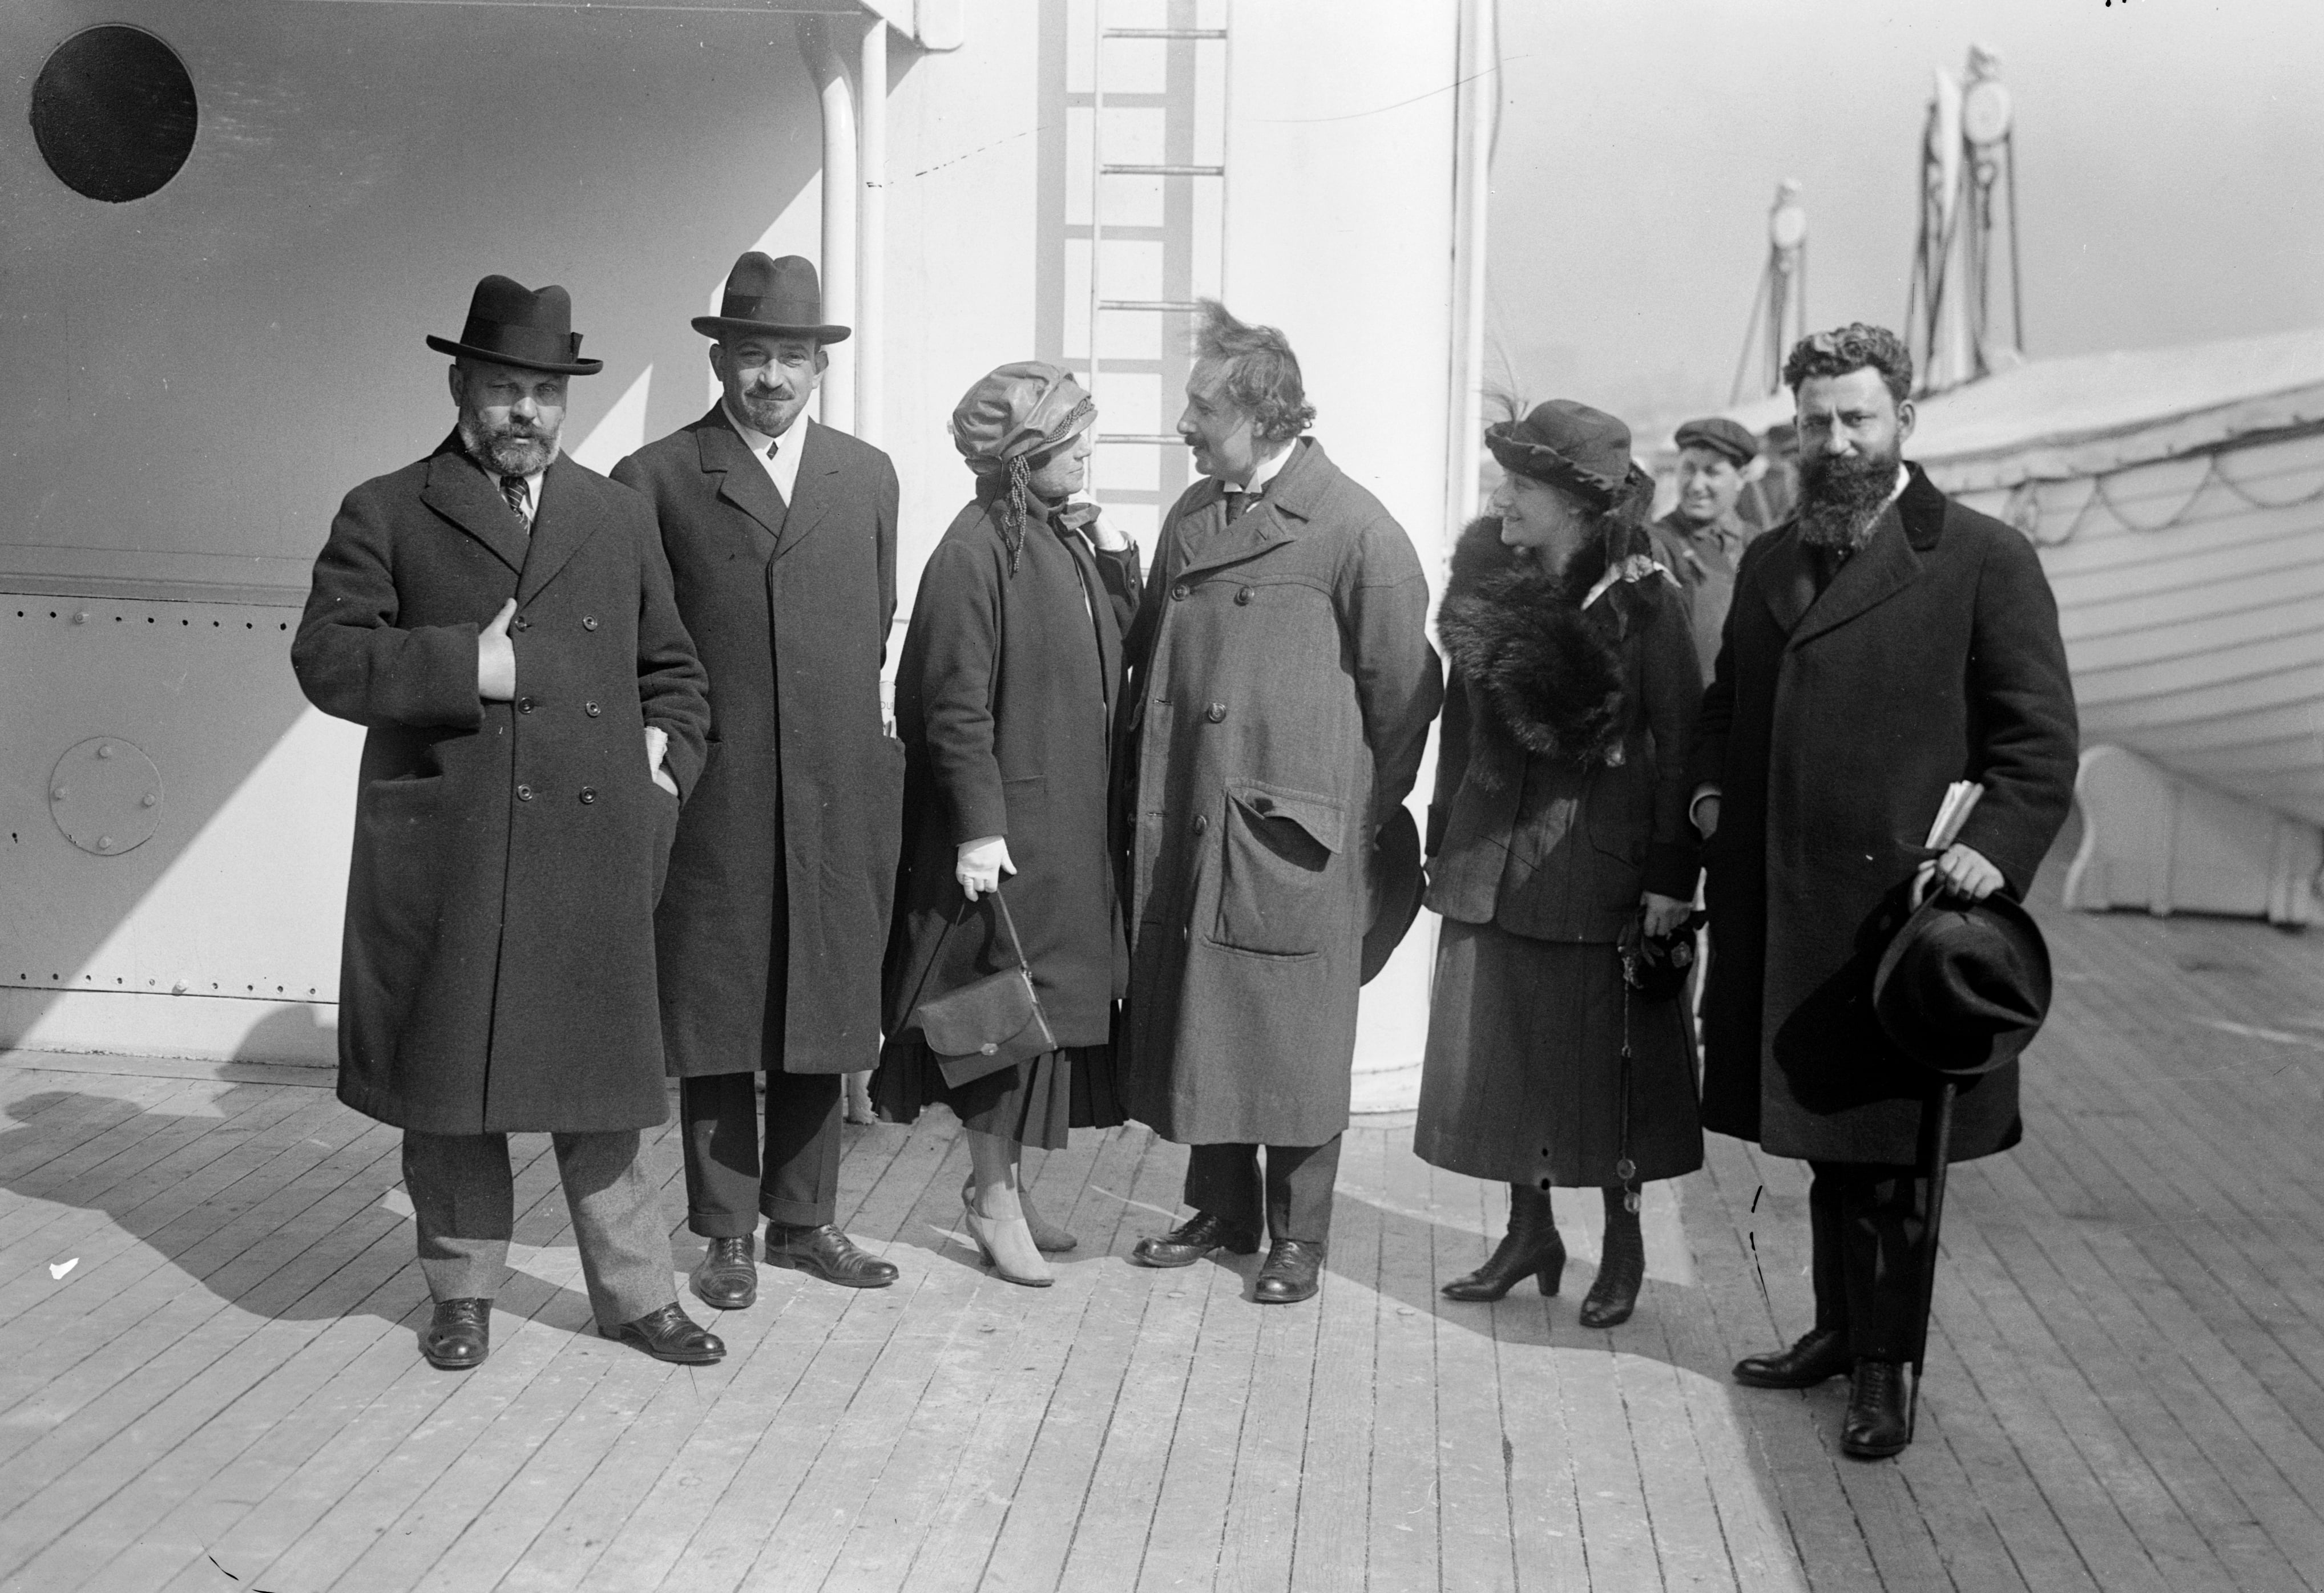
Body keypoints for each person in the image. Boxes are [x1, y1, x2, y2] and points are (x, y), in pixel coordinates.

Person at [292, 275, 723, 1369]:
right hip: (457, 850)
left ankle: (636, 1297)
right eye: (501, 388)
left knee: (599, 1093)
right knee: (452, 1092)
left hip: (587, 847)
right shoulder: (386, 507)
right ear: (459, 386)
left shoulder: (616, 513)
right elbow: (326, 657)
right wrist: (464, 663)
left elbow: (673, 670)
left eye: (543, 391)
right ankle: (461, 1295)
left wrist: (665, 764)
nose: (524, 411)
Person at [1692, 324, 2076, 1457]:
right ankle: (1829, 1329)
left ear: (1903, 419)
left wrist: (1994, 851)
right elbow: (1722, 707)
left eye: (1855, 417)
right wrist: (1710, 800)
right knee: (1822, 1140)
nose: (1834, 439)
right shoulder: (1769, 559)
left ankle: (1883, 1366)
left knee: (1893, 1161)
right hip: (1786, 912)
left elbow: (2037, 743)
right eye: (1814, 421)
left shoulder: (1979, 557)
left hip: (1901, 925)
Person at [1120, 301, 1443, 1305]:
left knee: (1294, 1036)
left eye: (1200, 411)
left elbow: (1406, 695)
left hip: (1293, 841)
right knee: (1203, 1015)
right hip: (1193, 819)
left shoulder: (1354, 530)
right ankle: (1222, 1208)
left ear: (1263, 416)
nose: (1183, 427)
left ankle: (1299, 1237)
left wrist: (1342, 808)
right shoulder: (1192, 515)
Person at [612, 253, 905, 1309]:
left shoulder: (865, 475)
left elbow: (870, 626)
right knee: (722, 1012)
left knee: (823, 1005)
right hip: (720, 791)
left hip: (834, 787)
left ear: (818, 368)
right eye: (751, 355)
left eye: (791, 356)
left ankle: (806, 1221)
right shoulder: (654, 477)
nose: (771, 377)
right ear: (718, 359)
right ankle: (726, 1232)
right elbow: (645, 641)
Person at [1415, 402, 1705, 1328]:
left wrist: (1671, 876)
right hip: (1492, 862)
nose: (1503, 500)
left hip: (1596, 869)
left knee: (1607, 1070)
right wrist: (1441, 838)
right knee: (1507, 1055)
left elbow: (1684, 736)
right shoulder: (1487, 585)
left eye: (1522, 487)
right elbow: (1461, 729)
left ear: (1574, 506)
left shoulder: (1642, 597)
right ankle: (1528, 1230)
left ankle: (1622, 1248)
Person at [878, 363, 1143, 1287]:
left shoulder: (1055, 538)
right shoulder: (973, 552)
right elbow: (953, 709)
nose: (1088, 450)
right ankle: (989, 1197)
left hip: (1064, 829)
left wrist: (1114, 555)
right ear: (1025, 454)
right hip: (1009, 840)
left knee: (1046, 1023)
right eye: (1072, 439)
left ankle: (1012, 1186)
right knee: (998, 1022)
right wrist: (978, 829)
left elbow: (1116, 645)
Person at [1648, 415, 1760, 681]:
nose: (1697, 485)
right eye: (1689, 468)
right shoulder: (1657, 544)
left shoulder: (1762, 545)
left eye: (1712, 472)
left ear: (1742, 477)